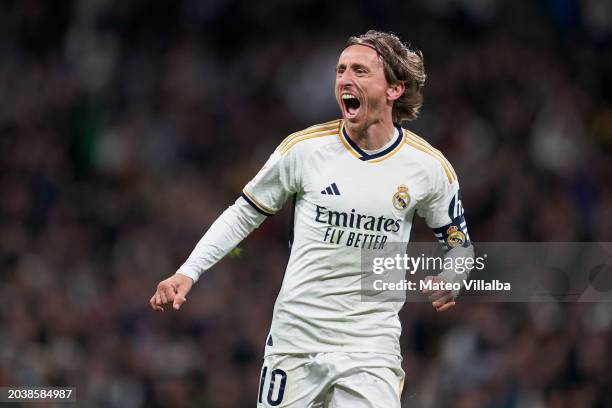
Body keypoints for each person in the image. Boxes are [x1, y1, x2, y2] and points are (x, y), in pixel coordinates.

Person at [150, 30, 473, 407]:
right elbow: (243, 214)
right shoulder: (303, 151)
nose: (345, 80)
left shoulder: (428, 168)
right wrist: (189, 271)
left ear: (394, 90)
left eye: (360, 71)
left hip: (370, 347)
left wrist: (453, 275)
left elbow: (459, 243)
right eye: (340, 70)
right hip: (295, 343)